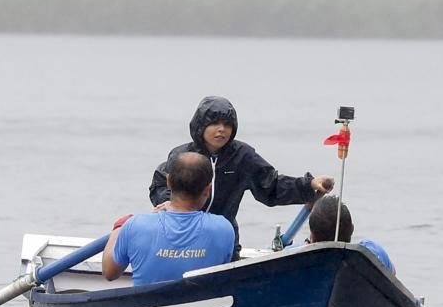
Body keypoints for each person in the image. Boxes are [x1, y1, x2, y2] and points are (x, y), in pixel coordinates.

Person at [148, 96, 334, 259]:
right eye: (215, 123)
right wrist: (168, 202)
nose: (222, 129)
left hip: (224, 241)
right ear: (200, 125)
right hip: (179, 240)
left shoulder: (243, 156)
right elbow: (160, 184)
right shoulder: (182, 156)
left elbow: (271, 186)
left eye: (227, 125)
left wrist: (309, 185)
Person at [103, 152, 235, 286]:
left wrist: (119, 228)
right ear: (208, 189)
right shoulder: (223, 228)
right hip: (201, 305)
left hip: (149, 305)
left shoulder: (135, 225)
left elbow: (110, 272)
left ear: (168, 182)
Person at [304, 195, 395, 274]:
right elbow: (392, 275)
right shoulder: (373, 252)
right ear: (352, 229)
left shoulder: (302, 261)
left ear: (312, 237)